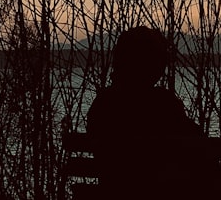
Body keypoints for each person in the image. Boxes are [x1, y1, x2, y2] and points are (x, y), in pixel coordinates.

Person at [86, 26, 205, 199]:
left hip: (113, 191)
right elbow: (198, 142)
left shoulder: (104, 103)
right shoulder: (163, 105)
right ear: (153, 65)